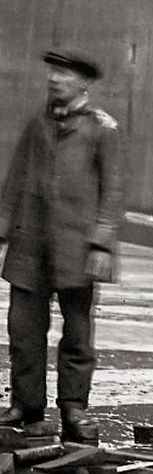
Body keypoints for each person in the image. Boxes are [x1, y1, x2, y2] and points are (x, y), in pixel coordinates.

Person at [0, 48, 124, 442]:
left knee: (77, 333)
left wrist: (101, 244)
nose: (54, 78)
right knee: (22, 329)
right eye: (52, 72)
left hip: (77, 249)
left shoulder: (102, 128)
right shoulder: (37, 124)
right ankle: (26, 405)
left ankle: (74, 407)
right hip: (30, 245)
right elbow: (16, 180)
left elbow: (113, 191)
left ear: (83, 83)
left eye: (64, 73)